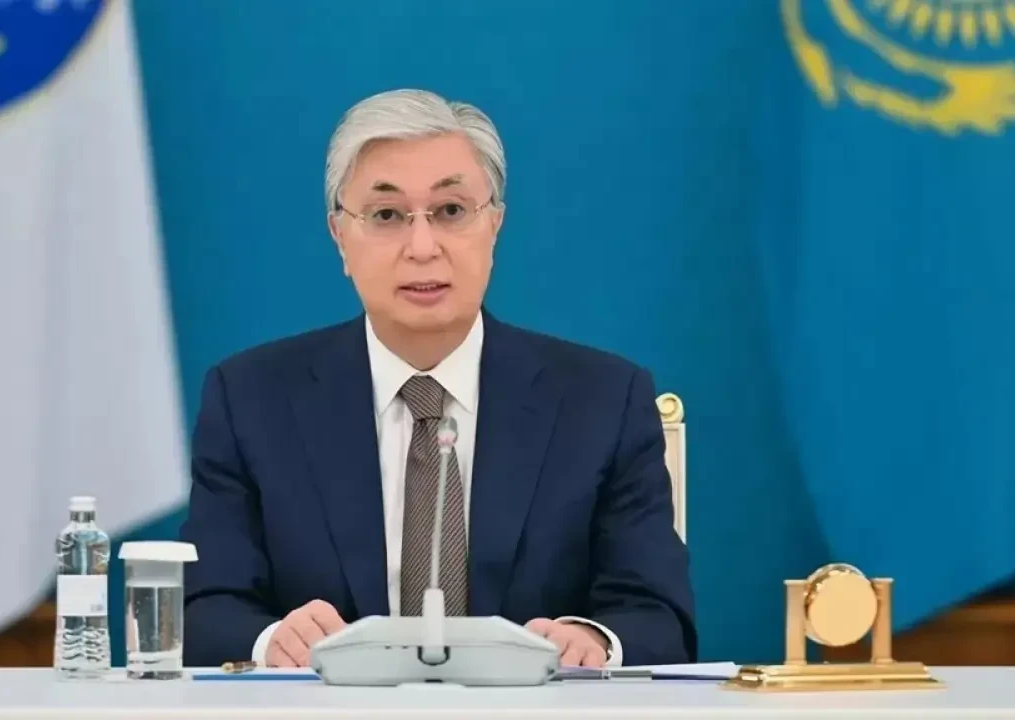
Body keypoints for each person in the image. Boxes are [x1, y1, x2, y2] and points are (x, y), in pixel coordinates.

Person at [180, 89, 696, 669]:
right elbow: (204, 608)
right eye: (386, 216)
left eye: (451, 211)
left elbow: (658, 616)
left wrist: (592, 640)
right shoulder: (252, 400)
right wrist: (272, 639)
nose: (422, 248)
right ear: (339, 237)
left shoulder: (601, 401)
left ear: (494, 225)